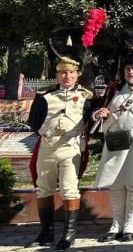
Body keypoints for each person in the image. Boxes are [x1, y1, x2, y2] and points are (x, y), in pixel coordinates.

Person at [26, 28, 96, 249]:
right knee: (43, 188)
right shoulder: (44, 96)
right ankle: (46, 232)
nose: (67, 76)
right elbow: (33, 122)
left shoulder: (86, 97)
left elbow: (91, 122)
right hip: (47, 147)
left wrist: (97, 115)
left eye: (71, 73)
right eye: (62, 73)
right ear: (56, 74)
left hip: (71, 148)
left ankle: (69, 234)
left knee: (69, 189)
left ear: (78, 74)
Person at [93, 32, 133, 242]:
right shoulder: (113, 89)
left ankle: (131, 225)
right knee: (116, 184)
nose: (131, 72)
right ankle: (116, 224)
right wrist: (99, 114)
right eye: (128, 68)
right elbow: (98, 111)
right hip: (116, 141)